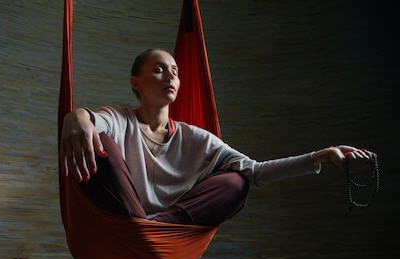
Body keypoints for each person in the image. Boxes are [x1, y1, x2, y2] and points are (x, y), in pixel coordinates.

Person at [59, 48, 376, 227]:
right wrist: (79, 116)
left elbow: (256, 171)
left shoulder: (196, 138)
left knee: (236, 182)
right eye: (159, 69)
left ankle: (157, 229)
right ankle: (143, 229)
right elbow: (95, 121)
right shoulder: (120, 120)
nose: (171, 76)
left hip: (168, 233)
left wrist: (323, 155)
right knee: (100, 144)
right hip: (120, 225)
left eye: (176, 70)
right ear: (135, 82)